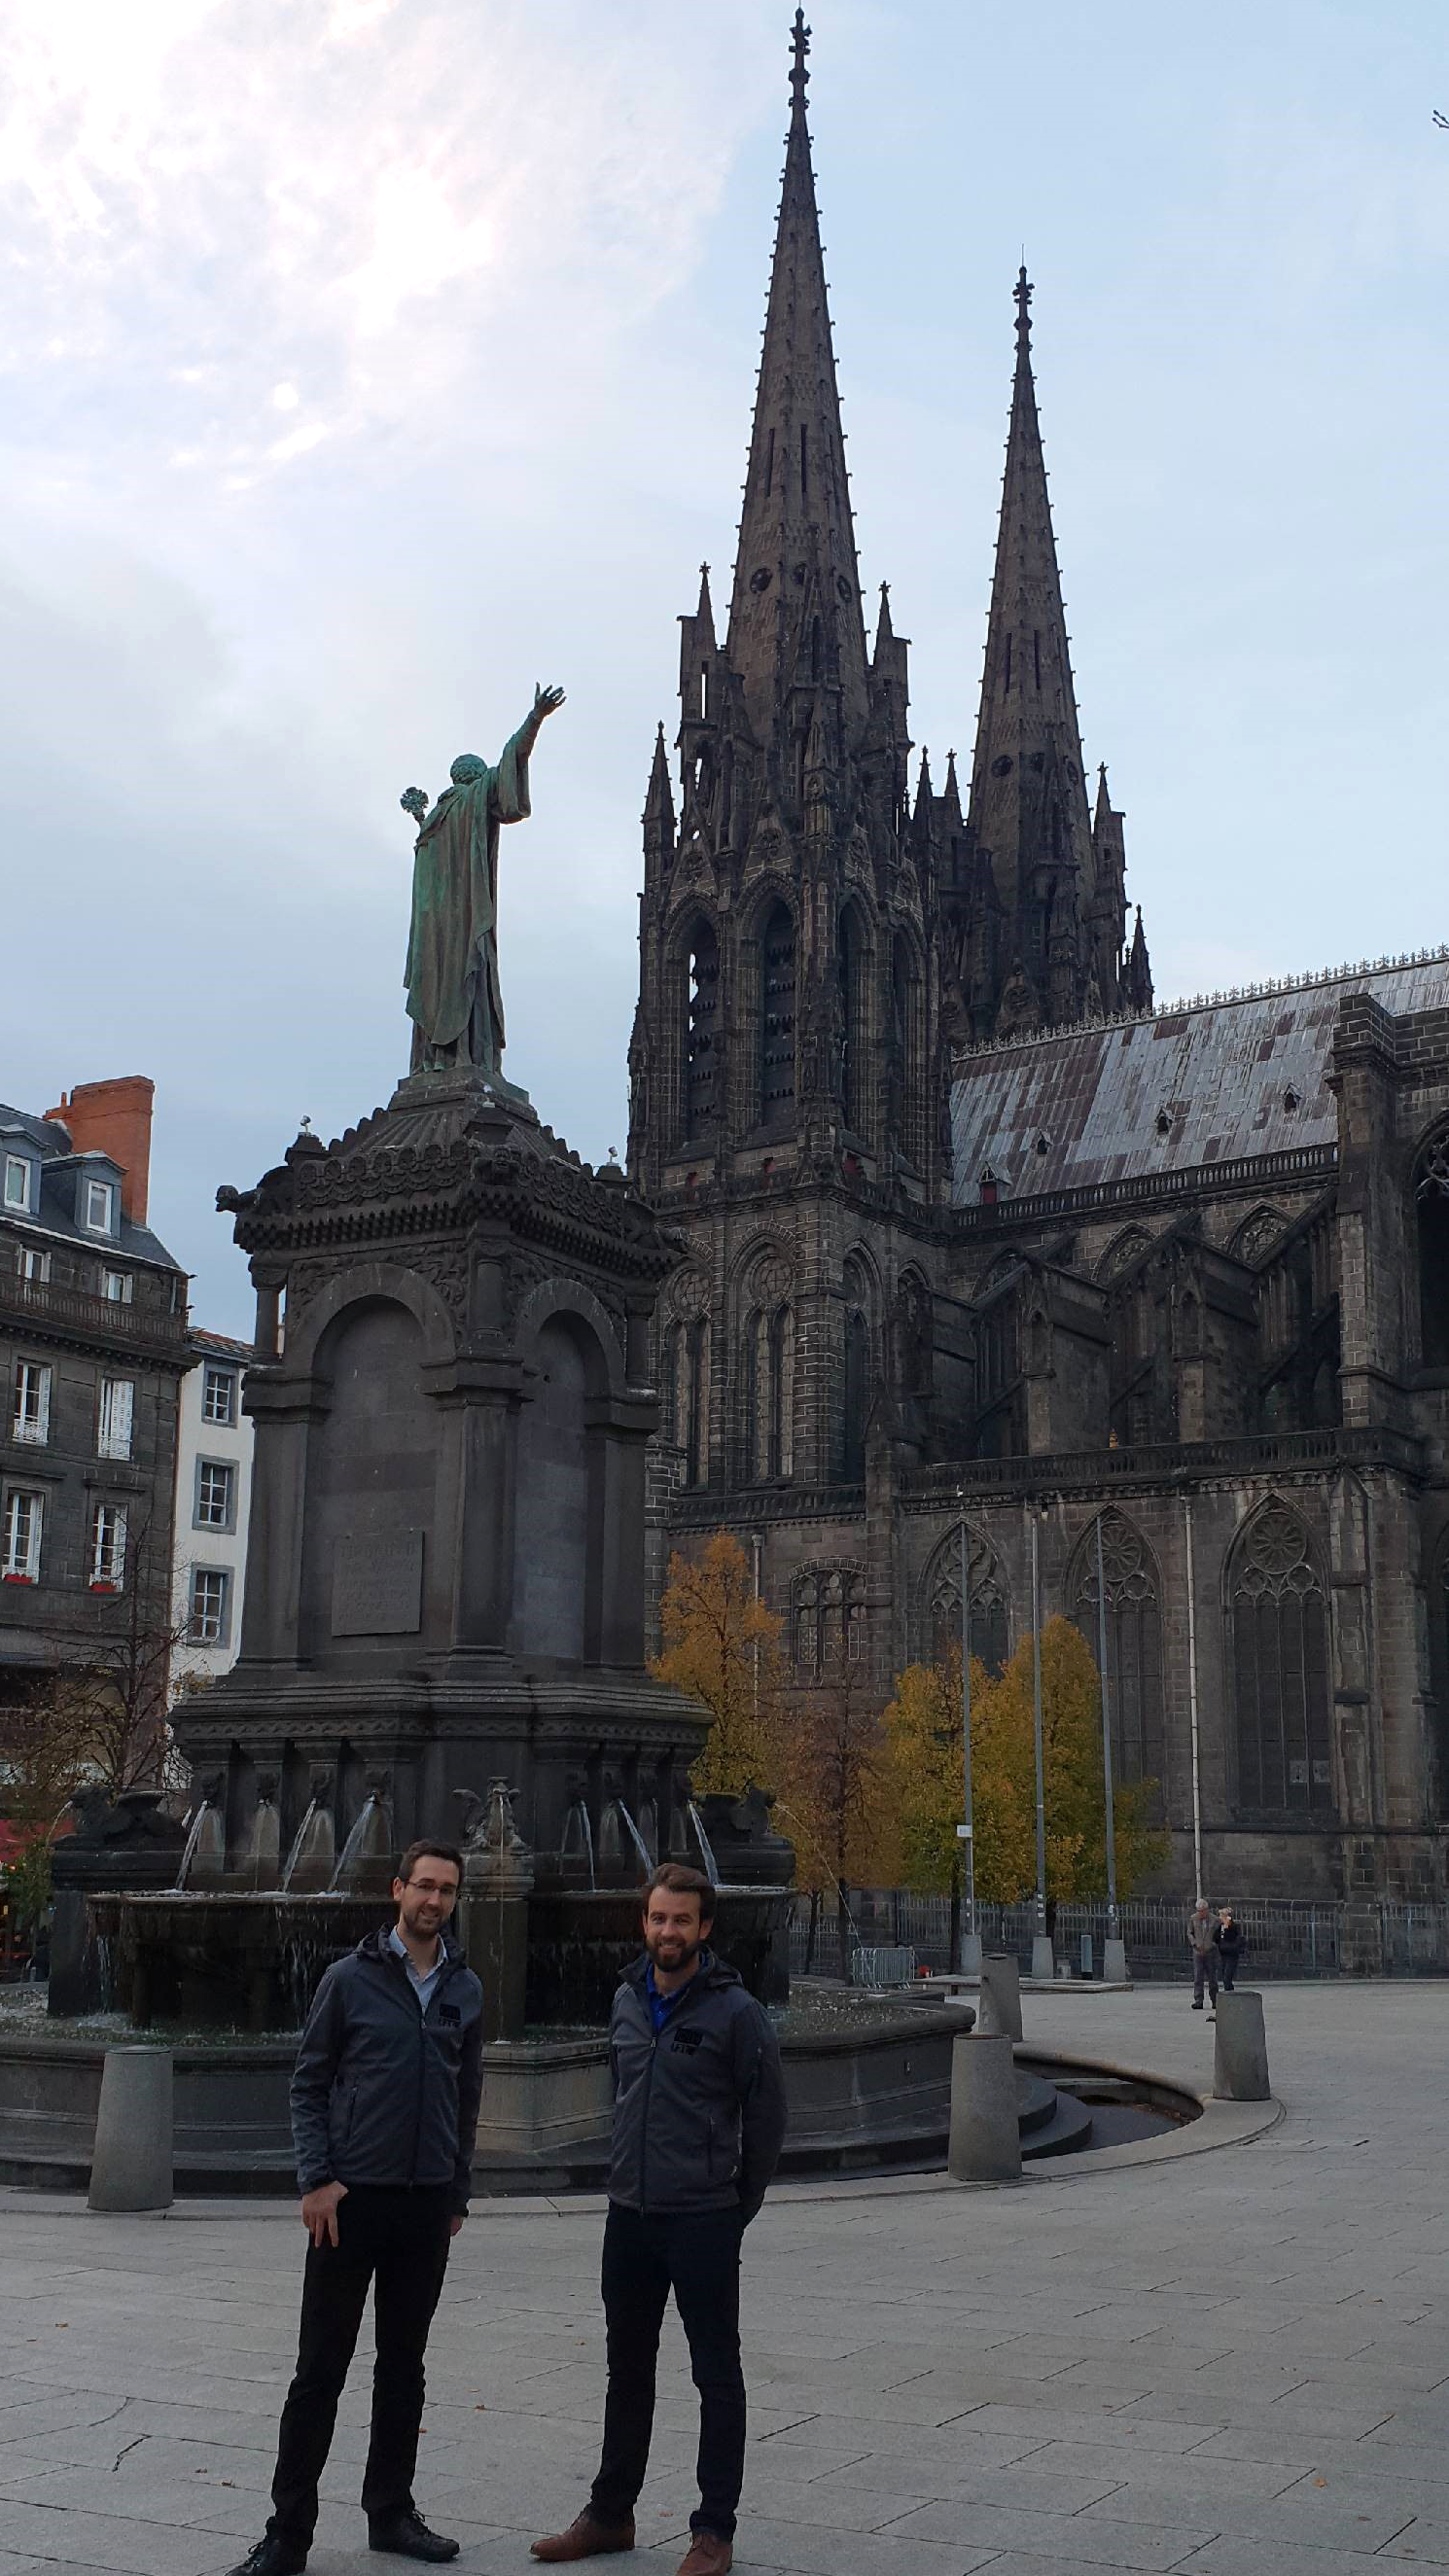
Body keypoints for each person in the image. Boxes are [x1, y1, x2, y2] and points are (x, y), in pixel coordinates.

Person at [225, 1841, 483, 2576]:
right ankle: (287, 2533)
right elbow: (309, 2082)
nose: (433, 1899)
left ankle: (391, 2512)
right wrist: (316, 2180)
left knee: (405, 2366)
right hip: (349, 2203)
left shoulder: (466, 1989)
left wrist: (457, 2190)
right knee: (319, 2372)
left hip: (425, 2205)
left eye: (447, 1889)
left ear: (455, 1899)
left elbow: (468, 2100)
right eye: (423, 1885)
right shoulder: (348, 1979)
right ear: (399, 1889)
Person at [532, 1862, 788, 2576]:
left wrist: (739, 2202)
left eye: (680, 1919)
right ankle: (611, 2513)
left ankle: (713, 2529)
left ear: (704, 1928)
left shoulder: (737, 2013)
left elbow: (767, 2116)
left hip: (704, 2217)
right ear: (643, 1923)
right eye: (656, 1918)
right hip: (630, 2216)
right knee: (626, 2369)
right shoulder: (625, 1998)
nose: (666, 1930)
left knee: (716, 2374)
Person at [1187, 1897, 1219, 2015]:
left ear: (1207, 1909)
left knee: (1212, 1977)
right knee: (1198, 1977)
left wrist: (1214, 1944)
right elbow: (1189, 1932)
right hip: (1198, 1951)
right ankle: (1198, 2000)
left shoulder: (1215, 1920)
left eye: (1203, 1910)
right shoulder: (1193, 1918)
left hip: (1210, 1951)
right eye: (1199, 1910)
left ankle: (1215, 2000)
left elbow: (1219, 1933)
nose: (1201, 1913)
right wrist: (1194, 1943)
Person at [1216, 1903, 1244, 1992]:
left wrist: (1227, 1927)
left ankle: (1229, 1993)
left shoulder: (1233, 1926)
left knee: (1227, 1977)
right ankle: (1229, 1992)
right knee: (1224, 1975)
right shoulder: (1220, 1927)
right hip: (1223, 1953)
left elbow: (1231, 1937)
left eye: (1222, 1915)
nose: (1220, 1917)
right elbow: (1216, 1938)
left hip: (1232, 1954)